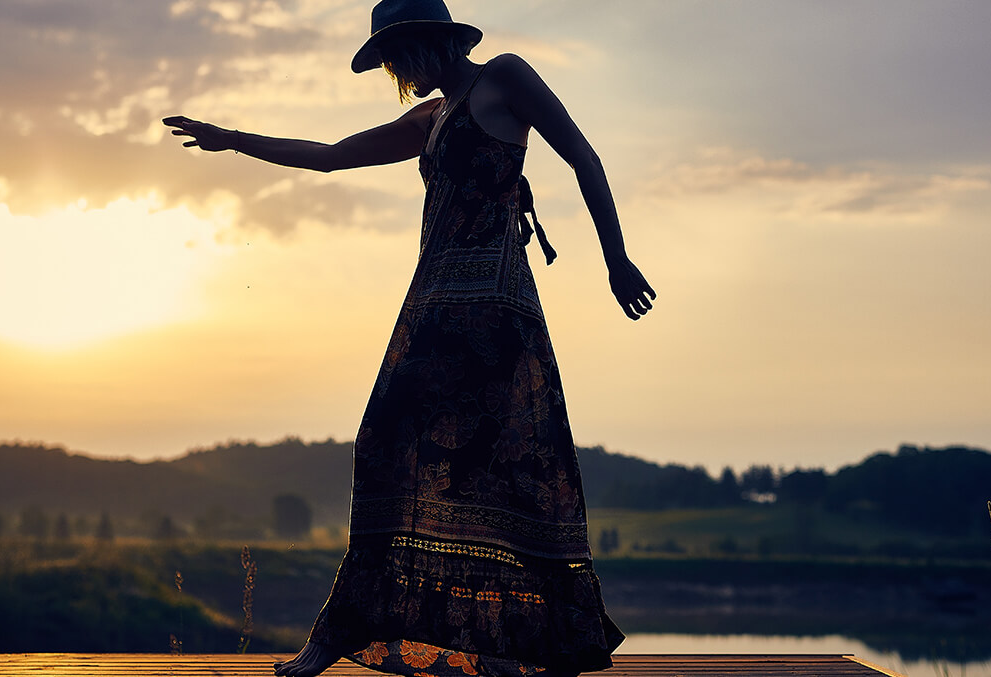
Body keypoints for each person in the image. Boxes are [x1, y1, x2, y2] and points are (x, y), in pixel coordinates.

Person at [165, 1, 654, 675]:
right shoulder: (431, 118)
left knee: (506, 466)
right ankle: (347, 632)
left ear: (426, 44)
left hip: (495, 310)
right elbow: (333, 157)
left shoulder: (505, 78)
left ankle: (527, 640)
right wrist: (234, 139)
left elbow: (584, 156)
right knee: (389, 446)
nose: (394, 73)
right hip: (431, 306)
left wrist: (616, 258)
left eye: (395, 59)